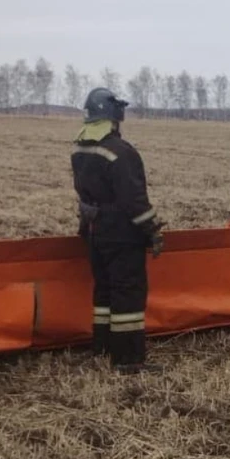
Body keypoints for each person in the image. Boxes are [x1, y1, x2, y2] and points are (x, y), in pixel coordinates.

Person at [71, 87, 165, 375]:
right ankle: (128, 360)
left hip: (95, 231)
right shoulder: (121, 152)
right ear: (114, 115)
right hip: (121, 234)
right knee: (128, 294)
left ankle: (103, 348)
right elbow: (134, 201)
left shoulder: (81, 148)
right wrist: (152, 230)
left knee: (105, 292)